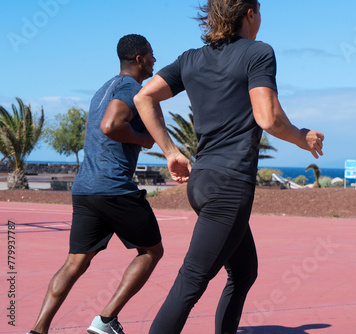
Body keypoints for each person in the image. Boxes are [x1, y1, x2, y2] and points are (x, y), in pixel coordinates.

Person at [134, 1, 324, 333]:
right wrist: (302, 137)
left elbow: (143, 97)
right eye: (260, 11)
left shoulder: (191, 58)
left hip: (202, 184)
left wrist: (170, 152)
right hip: (228, 187)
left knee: (244, 270)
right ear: (250, 14)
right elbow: (268, 118)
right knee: (191, 282)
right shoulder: (258, 53)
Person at [28, 34, 190, 334]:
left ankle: (37, 330)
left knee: (74, 263)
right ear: (139, 59)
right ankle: (105, 321)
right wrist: (143, 139)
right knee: (152, 252)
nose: (155, 60)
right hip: (113, 188)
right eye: (151, 55)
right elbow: (110, 125)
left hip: (85, 189)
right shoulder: (130, 88)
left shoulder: (104, 88)